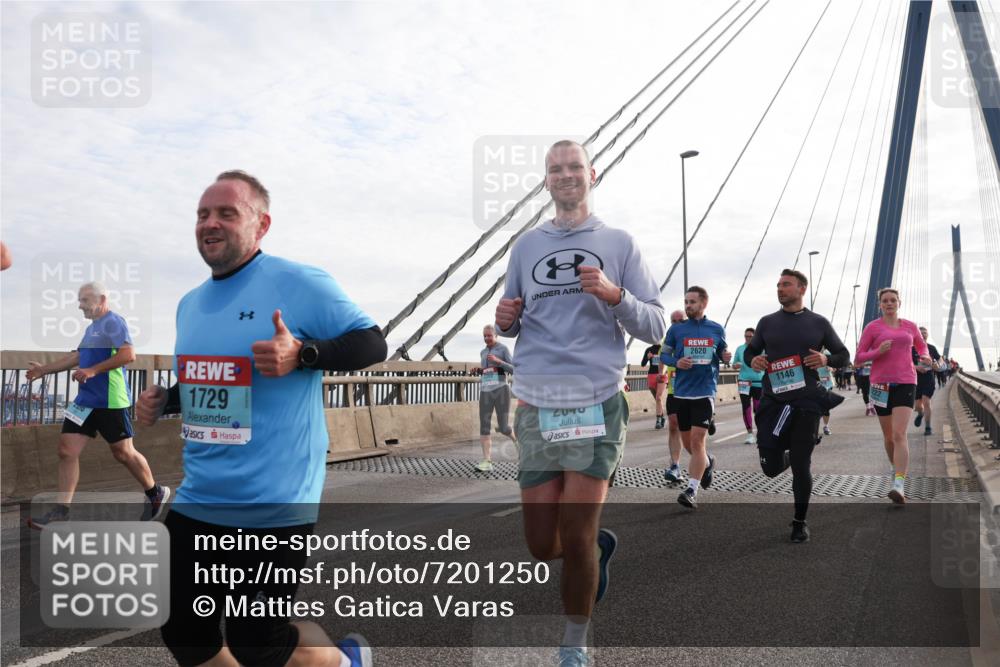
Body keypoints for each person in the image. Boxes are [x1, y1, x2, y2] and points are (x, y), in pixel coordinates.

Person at [137, 171, 385, 667]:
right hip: (201, 493)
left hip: (273, 499)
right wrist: (165, 401)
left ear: (261, 224)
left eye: (227, 213)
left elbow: (372, 343)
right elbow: (217, 382)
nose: (211, 223)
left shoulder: (297, 282)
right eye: (203, 214)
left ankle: (347, 662)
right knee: (184, 630)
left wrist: (305, 353)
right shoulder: (190, 304)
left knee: (258, 641)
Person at [494, 140, 665, 666]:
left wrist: (615, 296)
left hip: (595, 400)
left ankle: (573, 645)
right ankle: (592, 554)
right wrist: (507, 320)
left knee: (577, 529)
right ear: (546, 181)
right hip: (538, 403)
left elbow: (656, 323)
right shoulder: (525, 247)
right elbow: (515, 317)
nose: (565, 176)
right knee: (542, 544)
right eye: (555, 169)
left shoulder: (619, 242)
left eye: (574, 167)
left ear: (593, 174)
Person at [26, 282, 168, 528]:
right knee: (66, 450)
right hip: (85, 401)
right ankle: (62, 512)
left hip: (110, 400)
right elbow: (77, 356)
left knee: (123, 452)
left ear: (101, 299)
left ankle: (154, 492)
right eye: (79, 300)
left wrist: (92, 370)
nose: (79, 305)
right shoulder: (92, 328)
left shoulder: (114, 322)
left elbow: (128, 355)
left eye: (84, 300)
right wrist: (44, 370)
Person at [745, 269, 848, 542]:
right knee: (769, 468)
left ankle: (799, 522)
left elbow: (843, 355)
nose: (780, 289)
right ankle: (789, 456)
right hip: (773, 402)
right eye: (778, 285)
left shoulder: (818, 323)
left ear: (802, 289)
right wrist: (753, 360)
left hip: (806, 401)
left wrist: (826, 360)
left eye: (786, 285)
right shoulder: (767, 322)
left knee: (802, 465)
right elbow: (750, 351)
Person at [855, 288, 932, 505]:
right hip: (880, 385)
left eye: (893, 300)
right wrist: (877, 352)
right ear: (879, 304)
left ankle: (899, 484)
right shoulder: (873, 327)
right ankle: (894, 467)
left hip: (906, 381)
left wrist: (924, 355)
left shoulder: (910, 326)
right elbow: (859, 358)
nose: (889, 304)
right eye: (885, 301)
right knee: (889, 437)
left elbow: (921, 345)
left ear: (900, 303)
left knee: (899, 434)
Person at [660, 286, 731, 509]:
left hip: (705, 392)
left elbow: (722, 353)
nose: (688, 306)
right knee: (689, 445)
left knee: (698, 441)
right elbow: (664, 354)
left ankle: (691, 490)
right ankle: (708, 462)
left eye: (692, 302)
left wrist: (726, 356)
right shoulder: (676, 330)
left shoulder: (717, 329)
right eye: (686, 302)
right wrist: (675, 362)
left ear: (703, 303)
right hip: (681, 393)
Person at [475, 324, 515, 472]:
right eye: (484, 336)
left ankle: (517, 442)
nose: (487, 338)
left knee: (503, 427)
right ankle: (487, 461)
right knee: (484, 426)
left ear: (496, 335)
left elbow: (514, 369)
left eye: (489, 335)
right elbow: (488, 371)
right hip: (485, 391)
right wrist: (479, 371)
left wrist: (499, 362)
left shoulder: (503, 349)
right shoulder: (482, 352)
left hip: (501, 390)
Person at [662, 310, 687, 481]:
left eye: (681, 320)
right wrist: (660, 375)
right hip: (673, 389)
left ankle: (704, 462)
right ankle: (675, 465)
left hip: (692, 390)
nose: (677, 323)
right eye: (673, 321)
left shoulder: (691, 339)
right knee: (673, 425)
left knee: (691, 433)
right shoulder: (668, 338)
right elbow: (662, 358)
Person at [731, 327, 764, 445]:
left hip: (758, 382)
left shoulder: (761, 349)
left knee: (758, 408)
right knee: (746, 407)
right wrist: (736, 365)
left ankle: (761, 432)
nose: (748, 338)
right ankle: (750, 434)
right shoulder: (740, 349)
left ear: (755, 337)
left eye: (750, 336)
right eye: (746, 336)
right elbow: (734, 364)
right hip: (744, 382)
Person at [912, 326, 941, 436]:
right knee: (918, 405)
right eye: (921, 332)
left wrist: (937, 365)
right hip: (915, 379)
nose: (923, 334)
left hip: (929, 378)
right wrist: (916, 367)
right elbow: (905, 363)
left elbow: (940, 360)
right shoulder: (911, 348)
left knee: (926, 401)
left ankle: (928, 427)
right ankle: (920, 414)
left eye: (925, 332)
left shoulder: (931, 348)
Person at [640, 339, 667, 429]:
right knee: (657, 399)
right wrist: (647, 357)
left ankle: (658, 420)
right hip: (651, 376)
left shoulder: (664, 349)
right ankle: (662, 417)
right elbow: (643, 364)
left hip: (662, 375)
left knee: (658, 397)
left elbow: (669, 362)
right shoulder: (649, 350)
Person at [817, 362, 834, 435]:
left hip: (827, 384)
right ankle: (814, 426)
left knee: (825, 406)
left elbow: (833, 367)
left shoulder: (827, 352)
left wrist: (830, 368)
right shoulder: (809, 354)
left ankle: (826, 426)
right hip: (815, 383)